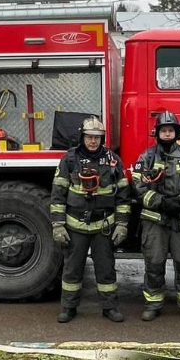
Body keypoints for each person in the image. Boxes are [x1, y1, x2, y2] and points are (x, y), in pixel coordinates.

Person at [50, 116, 131, 323]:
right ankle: (68, 307)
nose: (93, 141)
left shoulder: (113, 160)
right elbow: (58, 194)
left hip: (103, 226)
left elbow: (123, 195)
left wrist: (122, 224)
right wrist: (58, 225)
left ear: (102, 139)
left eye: (97, 137)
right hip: (75, 225)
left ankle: (110, 307)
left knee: (106, 270)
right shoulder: (69, 160)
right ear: (82, 137)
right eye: (89, 137)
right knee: (72, 269)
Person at [132, 111, 180, 321]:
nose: (167, 134)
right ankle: (153, 305)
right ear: (157, 133)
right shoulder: (146, 157)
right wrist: (161, 202)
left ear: (176, 133)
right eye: (163, 130)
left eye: (170, 130)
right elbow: (137, 184)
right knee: (154, 264)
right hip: (155, 220)